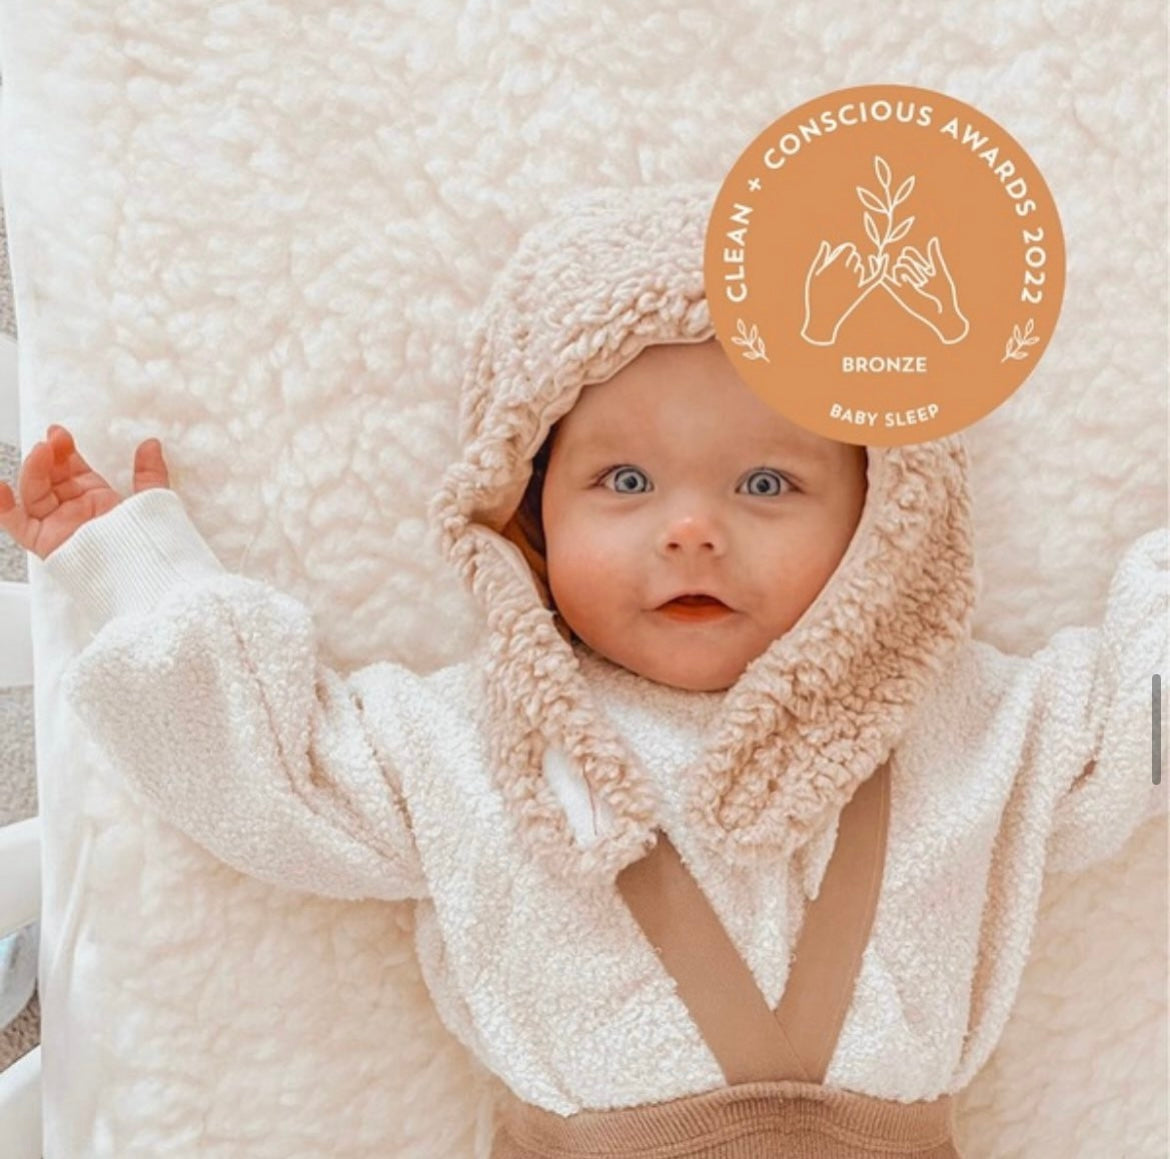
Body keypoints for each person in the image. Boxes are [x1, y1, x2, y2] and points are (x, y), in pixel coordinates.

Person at [0, 182, 1165, 1157]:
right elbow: (271, 770)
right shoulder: (466, 742)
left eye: (767, 485)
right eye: (623, 481)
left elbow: (1133, 719)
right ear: (525, 513)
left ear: (885, 521)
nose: (692, 530)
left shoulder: (962, 722)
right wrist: (133, 566)